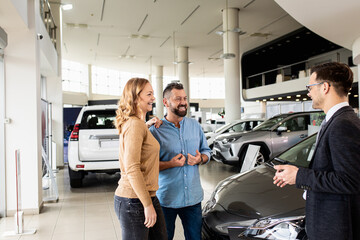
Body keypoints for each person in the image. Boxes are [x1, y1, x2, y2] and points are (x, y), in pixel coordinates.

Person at [273, 62, 360, 239]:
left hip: (335, 230)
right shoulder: (335, 120)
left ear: (325, 87)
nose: (308, 92)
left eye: (310, 87)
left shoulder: (342, 124)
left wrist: (299, 176)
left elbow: (351, 180)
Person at [150, 82, 211, 240]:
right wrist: (170, 164)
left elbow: (206, 152)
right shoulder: (155, 131)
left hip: (193, 199)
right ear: (166, 102)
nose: (183, 102)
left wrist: (200, 159)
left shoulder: (194, 126)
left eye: (184, 98)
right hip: (166, 199)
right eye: (178, 99)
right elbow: (147, 166)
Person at [114, 78, 167, 240]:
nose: (153, 98)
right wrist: (147, 204)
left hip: (145, 195)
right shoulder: (135, 125)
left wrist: (147, 124)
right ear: (136, 98)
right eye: (149, 94)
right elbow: (132, 168)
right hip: (134, 200)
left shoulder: (137, 124)